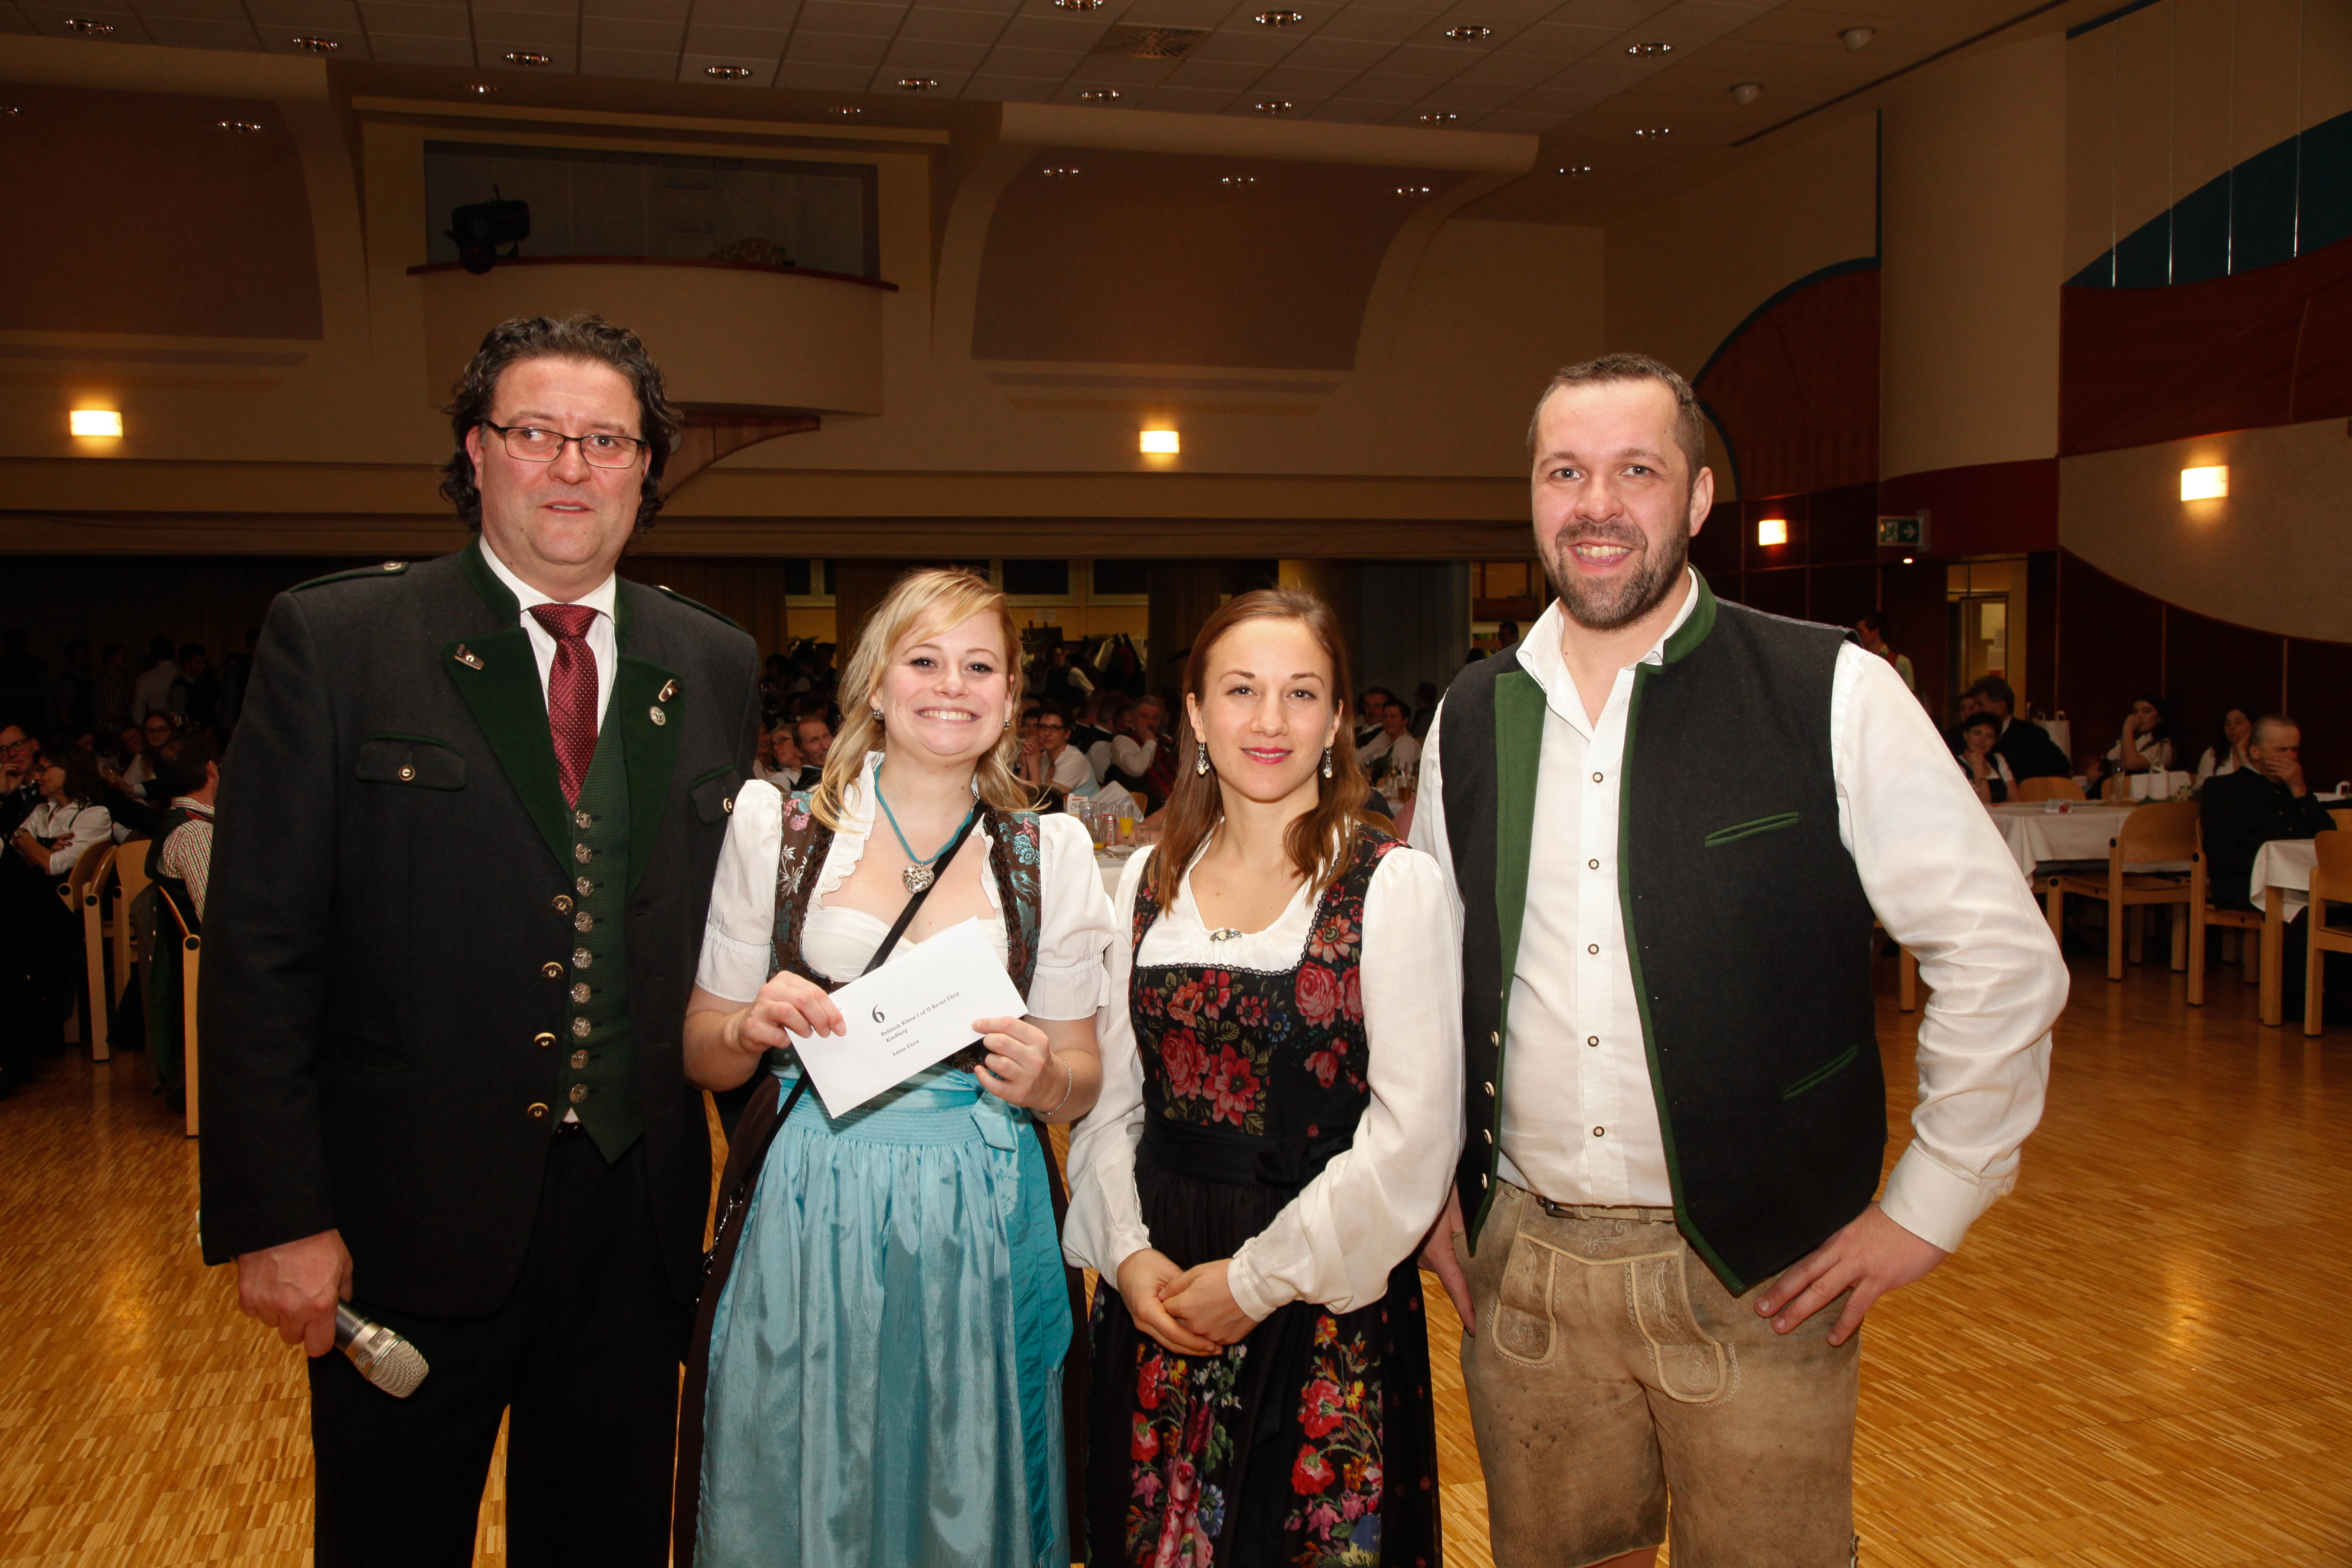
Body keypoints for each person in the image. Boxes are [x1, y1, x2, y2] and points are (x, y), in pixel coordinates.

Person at [1411, 353, 2067, 1565]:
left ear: (1699, 496)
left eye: (1636, 471)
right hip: (1526, 1271)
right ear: (1534, 495)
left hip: (1762, 1273)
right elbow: (1428, 976)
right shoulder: (1472, 713)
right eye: (1565, 473)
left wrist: (1931, 1201)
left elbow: (2001, 954)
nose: (1596, 505)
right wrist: (1426, 1186)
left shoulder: (1833, 689)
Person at [198, 313, 760, 1567]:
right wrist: (276, 1214)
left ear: (645, 470)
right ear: (477, 450)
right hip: (404, 1224)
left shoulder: (711, 659)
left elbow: (723, 943)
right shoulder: (342, 640)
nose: (572, 466)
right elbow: (258, 952)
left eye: (607, 441)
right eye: (536, 433)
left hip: (634, 1229)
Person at [676, 566, 1112, 1568]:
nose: (951, 685)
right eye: (924, 660)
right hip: (810, 1201)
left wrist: (1047, 1080)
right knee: (800, 1469)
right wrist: (749, 1027)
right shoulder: (779, 831)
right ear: (876, 682)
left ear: (1010, 693)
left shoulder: (1048, 853)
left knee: (961, 1473)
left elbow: (1081, 1070)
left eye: (980, 666)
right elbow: (702, 1050)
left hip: (982, 1204)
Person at [1067, 589, 1459, 1566]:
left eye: (1301, 692)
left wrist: (1256, 1280)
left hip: (1317, 1280)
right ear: (1196, 714)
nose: (1271, 719)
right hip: (1161, 1279)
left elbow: (1413, 1137)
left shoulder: (1390, 883)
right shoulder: (1146, 880)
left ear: (1337, 721)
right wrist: (1126, 1253)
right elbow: (1115, 1104)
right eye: (1242, 690)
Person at [2200, 715, 2334, 912]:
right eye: (2282, 750)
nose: (2291, 757)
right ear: (2256, 752)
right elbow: (2223, 852)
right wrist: (2282, 872)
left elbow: (2329, 840)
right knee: (2310, 916)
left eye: (2294, 749)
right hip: (2249, 887)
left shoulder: (2296, 789)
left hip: (2303, 885)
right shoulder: (2223, 788)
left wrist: (2300, 791)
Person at [148, 727, 220, 924]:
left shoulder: (175, 820)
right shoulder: (196, 834)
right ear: (211, 769)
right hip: (205, 941)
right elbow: (215, 918)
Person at [1958, 676, 2070, 781]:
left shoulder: (2032, 735)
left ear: (2000, 708)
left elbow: (2062, 768)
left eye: (1980, 705)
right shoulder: (1959, 735)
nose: (1975, 710)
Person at [1100, 693, 1171, 811]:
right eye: (1145, 717)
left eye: (1156, 718)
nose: (1150, 723)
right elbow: (1137, 769)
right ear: (1134, 718)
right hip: (1147, 808)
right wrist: (1150, 742)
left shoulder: (1166, 741)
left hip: (1175, 801)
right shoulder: (1123, 741)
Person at [1019, 702, 1093, 798]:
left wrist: (1034, 765)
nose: (1047, 733)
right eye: (1043, 727)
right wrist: (1024, 767)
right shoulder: (1045, 756)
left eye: (1055, 728)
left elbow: (1047, 802)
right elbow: (1020, 798)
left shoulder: (1074, 759)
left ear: (1067, 734)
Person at [1357, 698, 1421, 792]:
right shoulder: (1385, 736)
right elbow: (1362, 755)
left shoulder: (1407, 744)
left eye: (1393, 717)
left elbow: (1398, 778)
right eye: (1385, 717)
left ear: (1405, 720)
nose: (1388, 721)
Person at [2107, 692, 2176, 777]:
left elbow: (2131, 764)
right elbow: (2110, 759)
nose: (2139, 716)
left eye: (2147, 711)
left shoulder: (2164, 745)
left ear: (2159, 718)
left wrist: (2128, 727)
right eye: (2135, 712)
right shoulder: (2135, 739)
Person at [1956, 710, 2015, 804]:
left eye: (1989, 736)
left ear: (1995, 742)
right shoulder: (1955, 764)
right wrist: (1978, 768)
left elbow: (2016, 800)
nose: (1982, 740)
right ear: (1966, 736)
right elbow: (1983, 804)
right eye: (1977, 733)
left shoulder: (1998, 759)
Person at [1853, 611, 1915, 694]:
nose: (1858, 636)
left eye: (1861, 632)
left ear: (1876, 632)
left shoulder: (1902, 663)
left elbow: (1910, 697)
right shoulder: (1859, 660)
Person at [2197, 704, 2255, 783]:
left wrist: (2241, 750)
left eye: (2239, 722)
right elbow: (2202, 786)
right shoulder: (2212, 754)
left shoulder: (2262, 752)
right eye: (2228, 724)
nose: (2233, 727)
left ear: (2252, 725)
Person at [131, 635, 179, 723]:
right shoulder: (181, 674)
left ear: (152, 655)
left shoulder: (145, 679)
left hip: (157, 725)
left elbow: (138, 712)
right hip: (179, 725)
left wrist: (142, 727)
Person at [793, 710, 834, 778]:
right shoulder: (812, 783)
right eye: (813, 741)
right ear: (799, 751)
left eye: (825, 737)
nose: (825, 746)